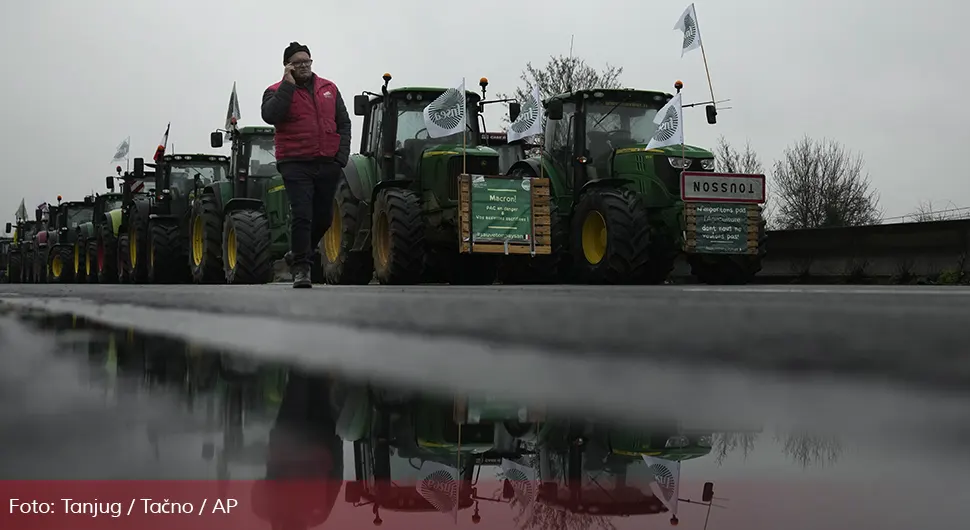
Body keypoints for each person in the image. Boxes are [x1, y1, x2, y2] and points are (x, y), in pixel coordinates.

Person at [261, 41, 352, 288]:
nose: (304, 66)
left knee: (323, 219)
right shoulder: (275, 90)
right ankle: (302, 269)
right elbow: (271, 115)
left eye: (307, 61)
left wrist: (340, 158)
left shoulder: (329, 89)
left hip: (327, 162)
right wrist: (287, 86)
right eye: (297, 62)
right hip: (294, 162)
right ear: (287, 66)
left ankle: (296, 253)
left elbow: (344, 123)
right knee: (302, 214)